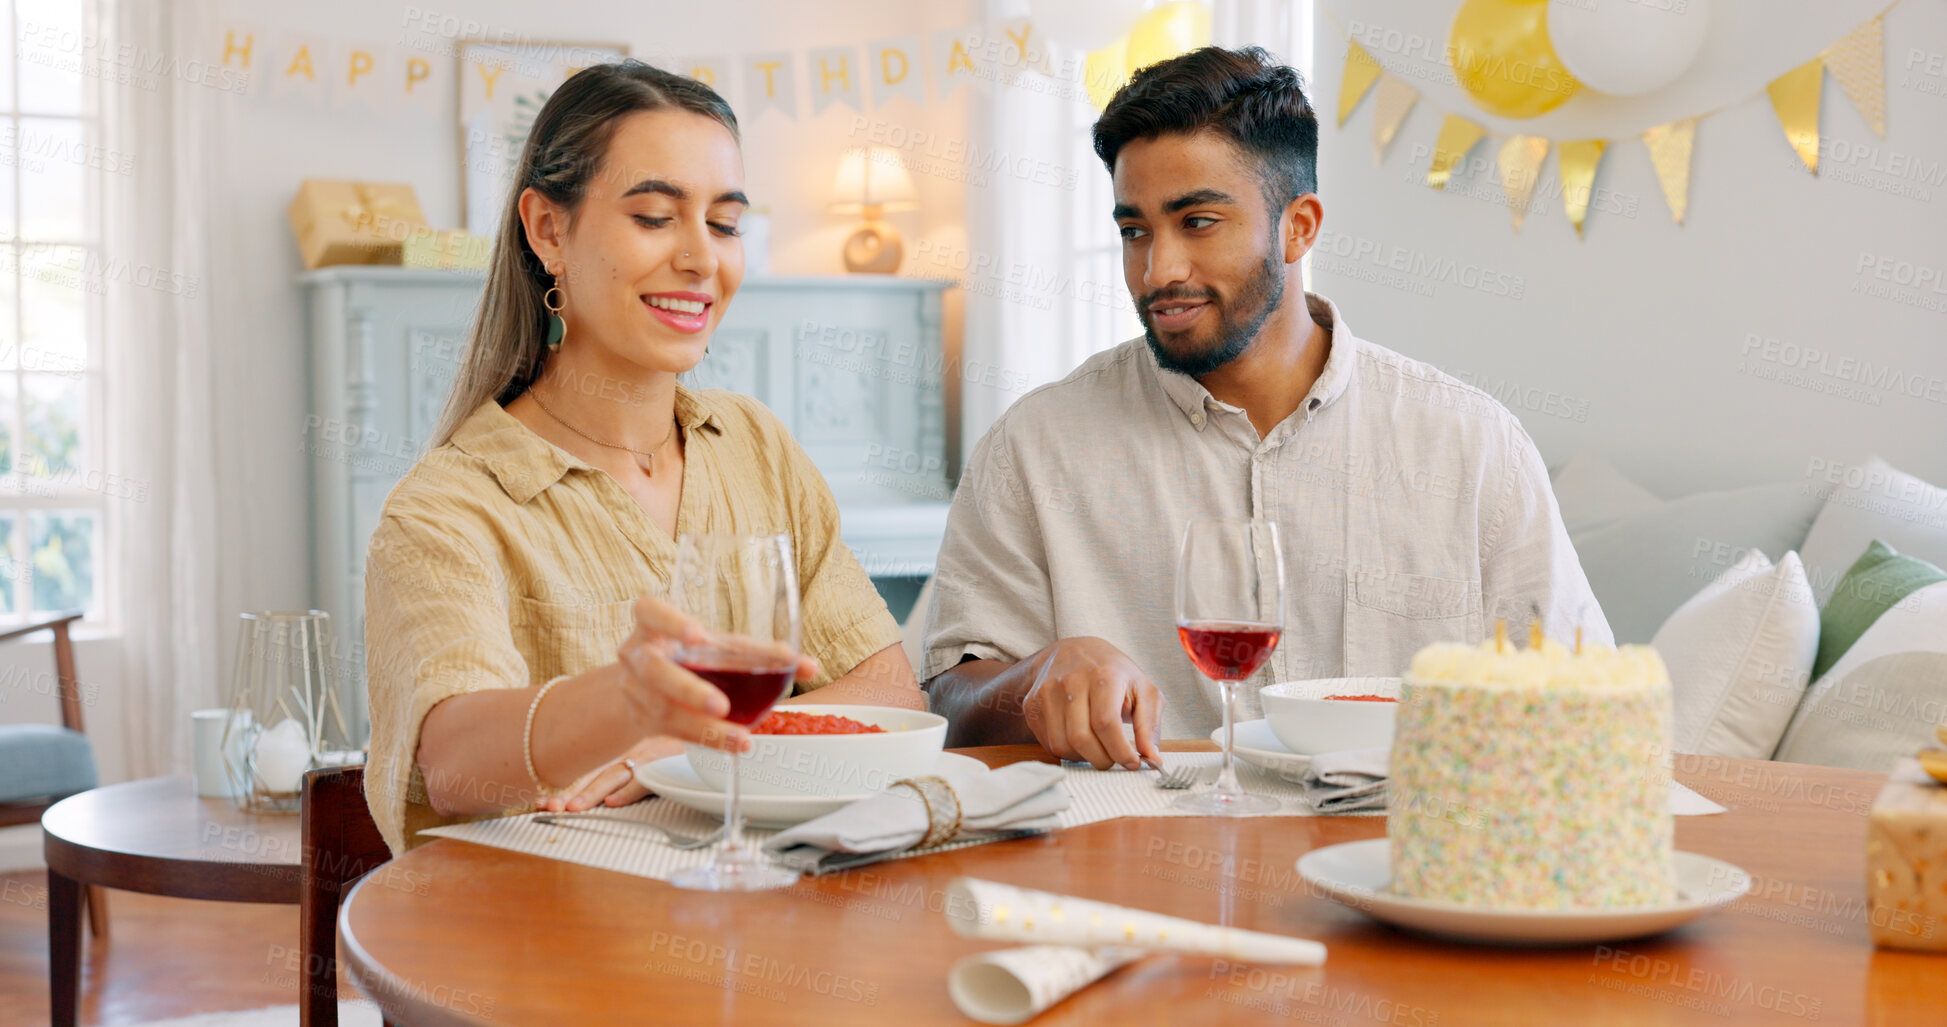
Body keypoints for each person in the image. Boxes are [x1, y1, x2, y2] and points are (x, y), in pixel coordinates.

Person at [922, 46, 1609, 771]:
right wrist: (1036, 675)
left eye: (1197, 222)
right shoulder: (1033, 446)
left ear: (1299, 227)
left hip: (1394, 858)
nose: (1158, 272)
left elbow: (1580, 706)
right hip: (1133, 860)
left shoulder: (1470, 445)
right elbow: (949, 705)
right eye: (1134, 231)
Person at [364, 62, 920, 855]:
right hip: (540, 946)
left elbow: (888, 684)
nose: (702, 260)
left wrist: (684, 741)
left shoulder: (755, 445)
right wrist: (624, 704)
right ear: (547, 230)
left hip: (764, 924)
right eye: (657, 216)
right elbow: (454, 763)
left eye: (725, 224)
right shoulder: (448, 507)